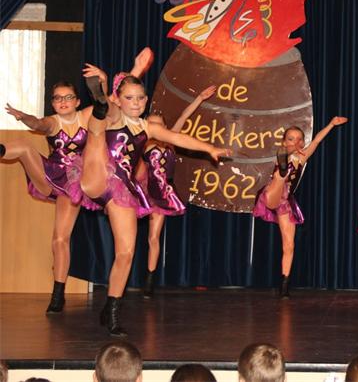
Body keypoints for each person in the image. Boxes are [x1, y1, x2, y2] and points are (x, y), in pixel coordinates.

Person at [1, 49, 153, 314]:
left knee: (66, 237)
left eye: (68, 97)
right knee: (59, 236)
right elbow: (38, 124)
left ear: (77, 100)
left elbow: (115, 101)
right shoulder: (53, 122)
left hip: (83, 180)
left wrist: (132, 71)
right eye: (58, 98)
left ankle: (69, 296)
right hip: (56, 178)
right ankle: (58, 294)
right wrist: (24, 117)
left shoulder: (86, 115)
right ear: (52, 103)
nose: (63, 102)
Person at [80, 72, 230, 336]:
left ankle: (111, 308)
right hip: (98, 175)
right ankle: (99, 105)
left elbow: (178, 138)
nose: (136, 103)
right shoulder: (116, 115)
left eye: (140, 98)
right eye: (129, 98)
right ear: (119, 100)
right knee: (97, 127)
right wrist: (103, 91)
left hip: (122, 189)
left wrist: (209, 149)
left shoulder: (148, 127)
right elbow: (112, 107)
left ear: (146, 100)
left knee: (126, 253)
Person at [252, 116, 347, 297]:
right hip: (272, 194)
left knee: (289, 245)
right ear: (284, 142)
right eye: (290, 139)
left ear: (302, 142)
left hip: (285, 202)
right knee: (279, 178)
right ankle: (282, 173)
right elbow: (285, 151)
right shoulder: (283, 153)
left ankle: (284, 285)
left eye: (298, 140)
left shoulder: (302, 157)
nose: (295, 142)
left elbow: (317, 140)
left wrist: (331, 124)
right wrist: (289, 154)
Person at [139, 84, 217, 298]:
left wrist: (200, 98)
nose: (154, 127)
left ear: (164, 127)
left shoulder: (171, 140)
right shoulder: (142, 143)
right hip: (143, 192)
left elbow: (184, 116)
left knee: (153, 237)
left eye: (158, 124)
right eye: (150, 124)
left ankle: (149, 279)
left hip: (161, 194)